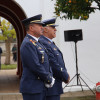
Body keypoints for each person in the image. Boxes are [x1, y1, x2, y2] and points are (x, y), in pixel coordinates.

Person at [20, 14, 55, 100]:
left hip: (40, 86)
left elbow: (46, 62)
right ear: (31, 28)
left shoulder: (37, 43)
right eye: (39, 25)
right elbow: (35, 65)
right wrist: (48, 78)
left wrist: (49, 76)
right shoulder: (28, 43)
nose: (42, 27)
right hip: (32, 88)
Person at [39, 18, 70, 100]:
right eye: (53, 27)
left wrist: (64, 74)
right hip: (51, 87)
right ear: (45, 29)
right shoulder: (44, 43)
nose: (55, 29)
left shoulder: (49, 42)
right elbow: (52, 63)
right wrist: (65, 76)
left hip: (55, 86)